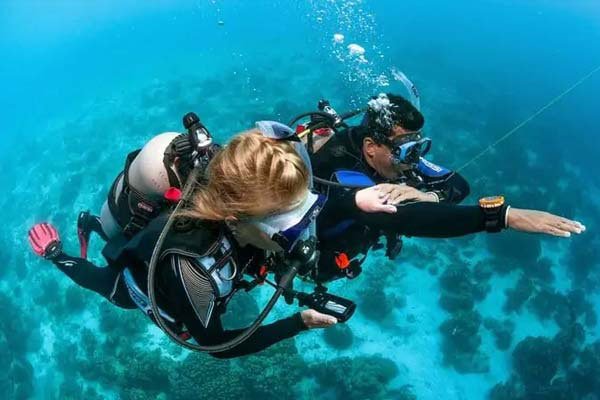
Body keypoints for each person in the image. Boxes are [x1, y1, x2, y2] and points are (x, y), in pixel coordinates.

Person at [28, 128, 339, 358]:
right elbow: (218, 346)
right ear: (235, 219)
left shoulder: (242, 199)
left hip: (177, 235)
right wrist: (299, 323)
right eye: (289, 229)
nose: (301, 237)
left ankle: (98, 224)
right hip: (138, 283)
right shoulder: (189, 269)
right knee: (108, 286)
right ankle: (56, 253)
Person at [304, 93, 586, 282]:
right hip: (317, 256)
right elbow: (402, 218)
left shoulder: (393, 156)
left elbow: (458, 184)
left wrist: (429, 194)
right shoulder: (340, 171)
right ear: (370, 147)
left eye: (418, 147)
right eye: (406, 150)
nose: (413, 159)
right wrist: (501, 217)